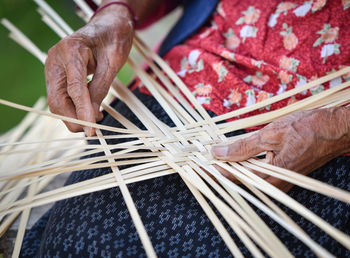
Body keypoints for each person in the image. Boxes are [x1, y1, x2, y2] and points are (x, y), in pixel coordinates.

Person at [21, 0, 350, 256]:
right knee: (78, 244)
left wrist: (337, 127)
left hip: (325, 116)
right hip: (196, 72)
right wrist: (117, 13)